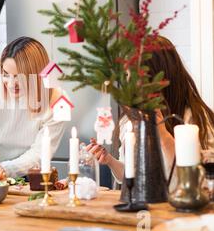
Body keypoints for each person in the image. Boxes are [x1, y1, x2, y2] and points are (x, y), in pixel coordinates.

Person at [86, 36, 214, 187]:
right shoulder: (128, 120)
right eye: (127, 75)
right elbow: (130, 174)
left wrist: (162, 134)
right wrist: (110, 161)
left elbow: (202, 181)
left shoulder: (195, 119)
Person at [0, 36, 68, 181]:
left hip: (30, 174)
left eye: (20, 77)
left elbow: (40, 153)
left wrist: (6, 169)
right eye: (6, 75)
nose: (11, 84)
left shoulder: (57, 101)